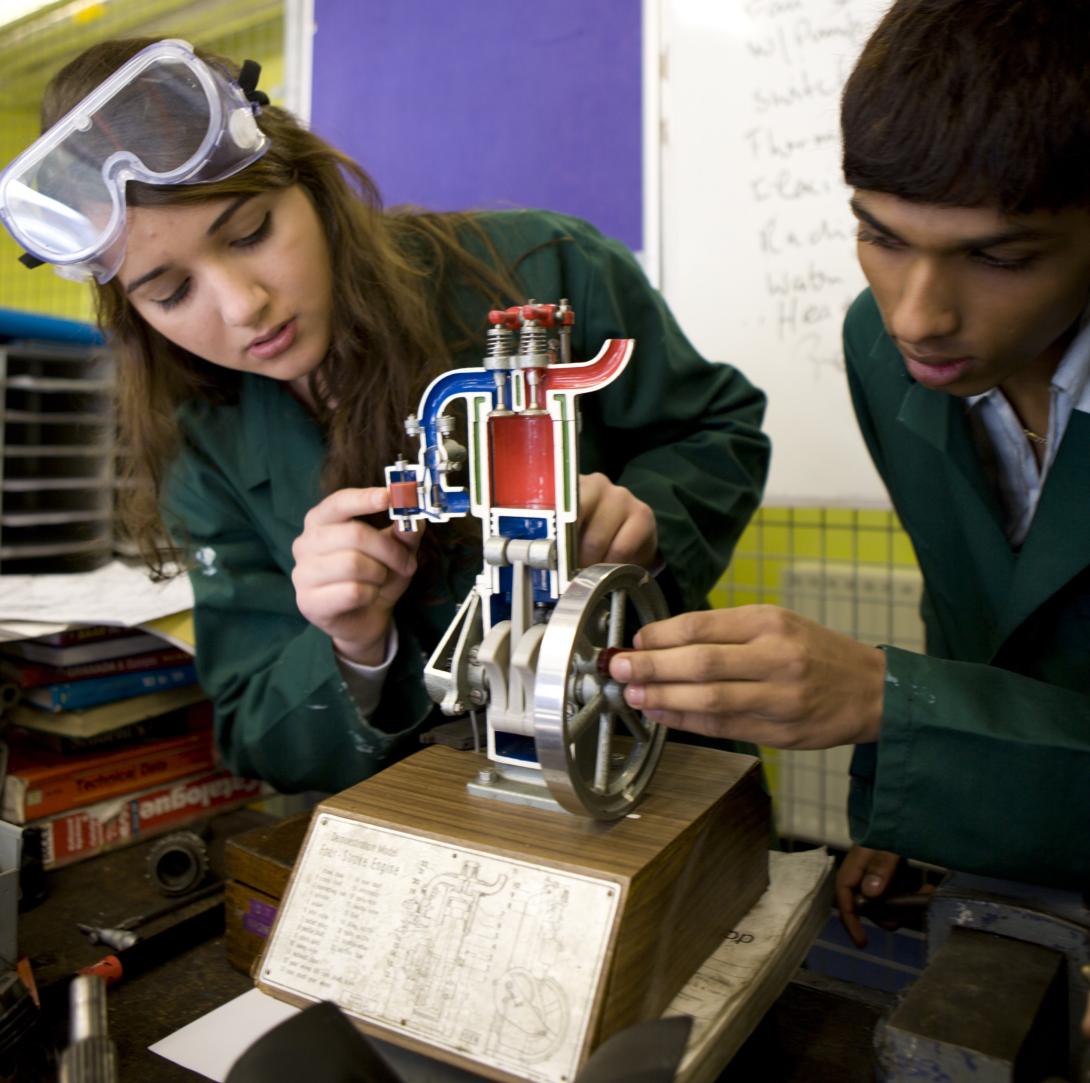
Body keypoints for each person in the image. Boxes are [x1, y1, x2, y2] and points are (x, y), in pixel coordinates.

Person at [0, 38, 769, 795]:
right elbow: (252, 727)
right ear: (135, 312)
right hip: (423, 819)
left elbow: (717, 429)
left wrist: (648, 522)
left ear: (313, 186)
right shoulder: (205, 440)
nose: (243, 306)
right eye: (171, 293)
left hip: (637, 760)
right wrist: (352, 647)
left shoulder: (541, 267)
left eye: (250, 233)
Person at [608, 0, 1090, 944]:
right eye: (880, 235)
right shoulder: (881, 350)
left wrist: (897, 709)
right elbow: (967, 609)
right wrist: (928, 799)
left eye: (997, 255)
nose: (917, 315)